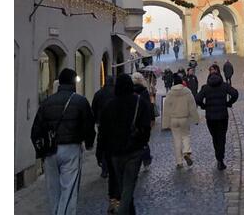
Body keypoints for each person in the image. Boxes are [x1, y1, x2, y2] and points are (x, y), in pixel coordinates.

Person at [30, 68, 96, 215]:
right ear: (73, 82)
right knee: (69, 189)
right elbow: (88, 125)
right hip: (71, 148)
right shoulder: (80, 101)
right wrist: (89, 142)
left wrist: (41, 152)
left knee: (53, 190)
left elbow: (35, 130)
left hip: (50, 151)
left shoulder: (47, 102)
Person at [100, 75, 153, 215]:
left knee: (122, 184)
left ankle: (129, 210)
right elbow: (146, 127)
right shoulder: (139, 103)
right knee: (128, 186)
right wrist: (143, 143)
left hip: (115, 152)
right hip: (134, 151)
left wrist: (101, 153)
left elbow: (102, 132)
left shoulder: (109, 105)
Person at [196, 68, 239, 170]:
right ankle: (220, 159)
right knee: (222, 137)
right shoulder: (224, 85)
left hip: (210, 117)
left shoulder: (206, 88)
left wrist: (204, 106)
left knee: (215, 137)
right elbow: (235, 94)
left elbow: (197, 99)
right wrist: (229, 103)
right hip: (223, 116)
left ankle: (218, 157)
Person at [161, 73, 199, 168]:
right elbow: (192, 106)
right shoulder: (187, 91)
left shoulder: (170, 93)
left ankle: (179, 162)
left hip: (174, 120)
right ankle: (186, 151)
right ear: (182, 82)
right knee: (186, 136)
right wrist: (195, 118)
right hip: (184, 119)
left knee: (176, 140)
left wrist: (165, 123)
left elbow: (166, 109)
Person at [91, 75, 116, 181]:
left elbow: (94, 108)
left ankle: (105, 169)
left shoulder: (99, 93)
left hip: (102, 124)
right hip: (115, 123)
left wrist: (96, 121)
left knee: (104, 146)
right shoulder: (117, 92)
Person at [131, 73, 155, 169]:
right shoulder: (144, 91)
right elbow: (149, 106)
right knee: (144, 140)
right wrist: (151, 118)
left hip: (132, 119)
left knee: (134, 140)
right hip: (143, 119)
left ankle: (135, 160)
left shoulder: (130, 90)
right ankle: (146, 160)